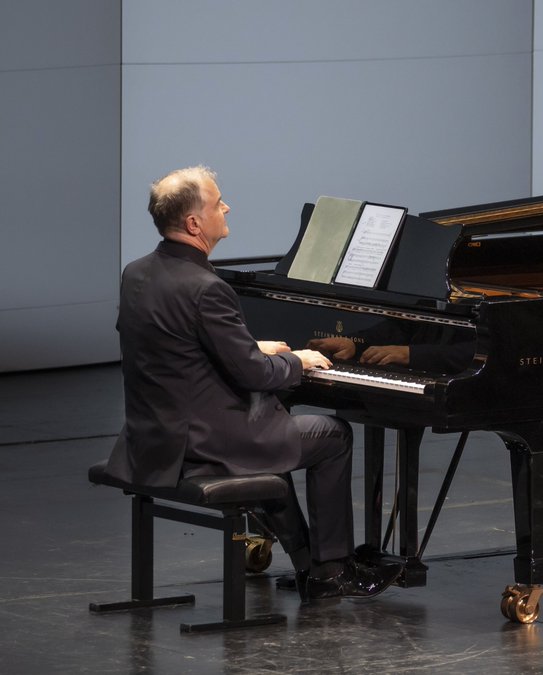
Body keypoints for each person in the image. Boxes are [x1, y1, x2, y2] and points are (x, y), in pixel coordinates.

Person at [104, 166, 400, 601]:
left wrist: (246, 344)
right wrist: (295, 361)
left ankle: (307, 563)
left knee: (276, 423)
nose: (226, 207)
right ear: (193, 224)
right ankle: (329, 570)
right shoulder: (208, 288)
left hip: (152, 437)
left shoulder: (138, 272)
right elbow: (257, 375)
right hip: (206, 442)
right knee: (333, 434)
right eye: (216, 202)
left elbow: (168, 343)